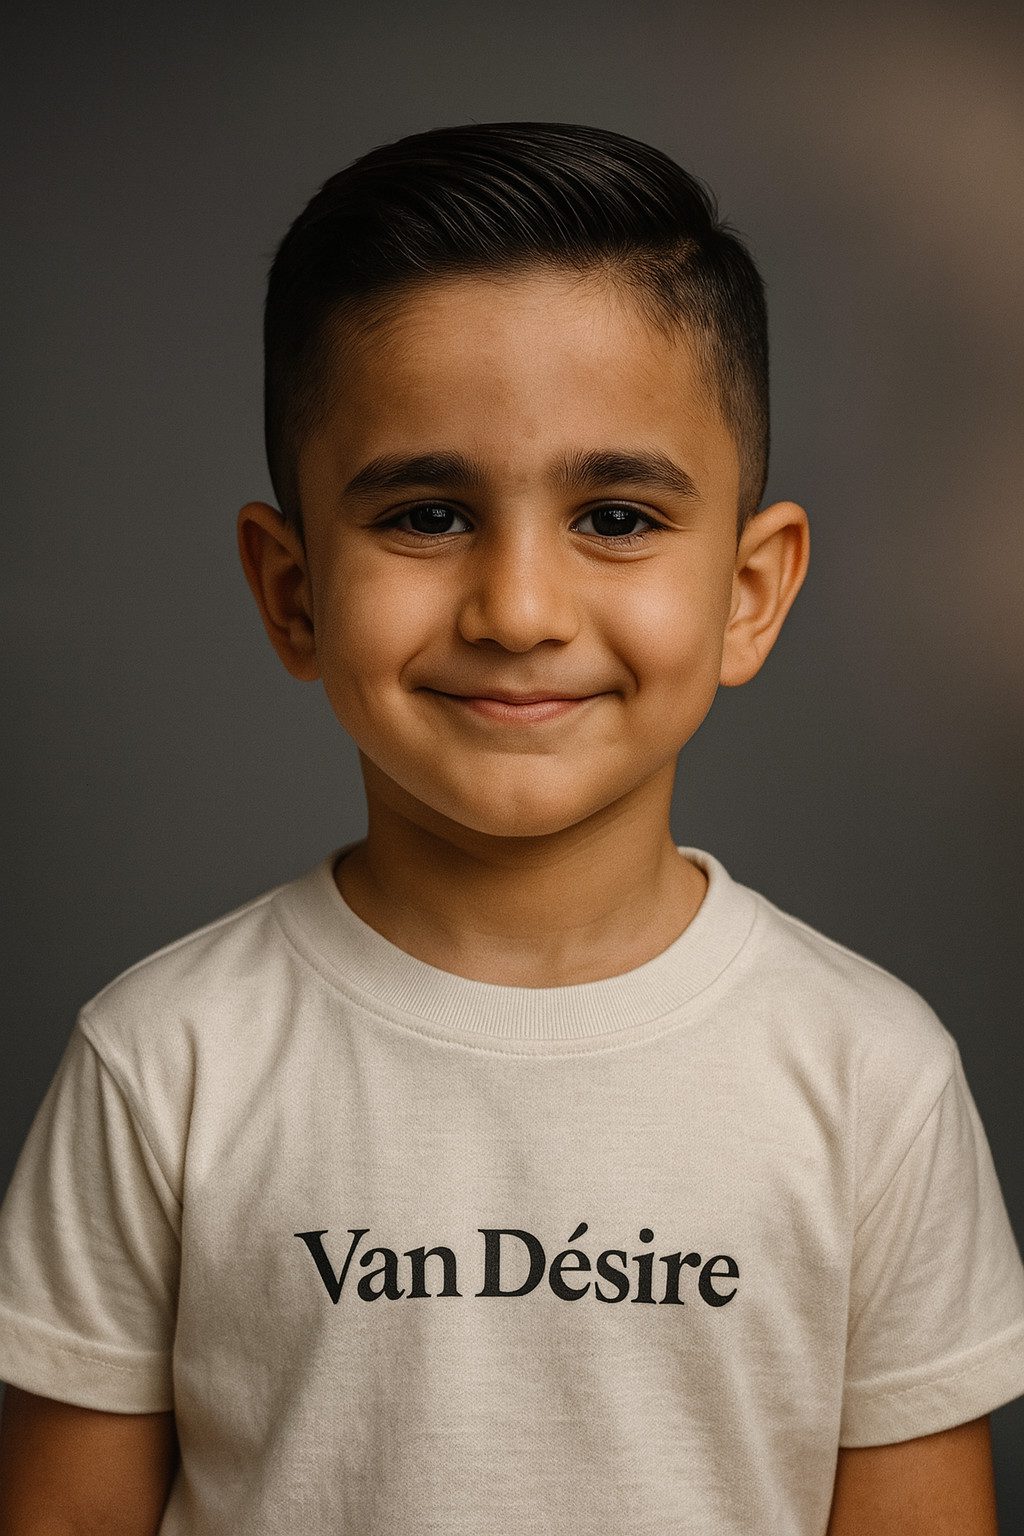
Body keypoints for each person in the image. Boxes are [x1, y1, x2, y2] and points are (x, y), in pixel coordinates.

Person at [0, 121, 1021, 1536]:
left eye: (613, 514)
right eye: (427, 515)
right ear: (293, 591)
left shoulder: (873, 1081)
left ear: (750, 589)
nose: (520, 608)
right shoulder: (163, 1060)